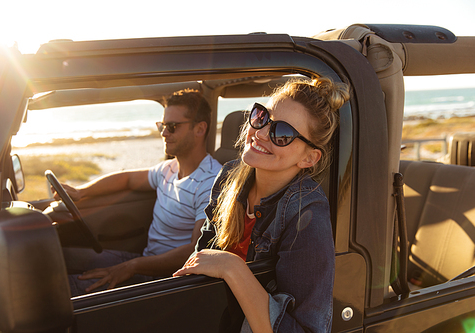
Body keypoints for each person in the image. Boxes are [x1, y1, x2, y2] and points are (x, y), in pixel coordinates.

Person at [173, 77, 350, 332]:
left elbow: (305, 329)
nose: (262, 133)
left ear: (309, 157)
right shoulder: (229, 177)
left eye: (283, 133)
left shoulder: (306, 216)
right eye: (261, 117)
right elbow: (200, 261)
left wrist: (232, 268)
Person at [60, 89, 222, 296]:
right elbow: (127, 179)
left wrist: (132, 266)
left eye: (172, 127)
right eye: (162, 126)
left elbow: (195, 250)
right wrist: (81, 192)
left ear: (199, 129)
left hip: (166, 278)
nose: (164, 133)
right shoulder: (169, 169)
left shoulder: (210, 182)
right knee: (58, 257)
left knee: (63, 290)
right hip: (145, 262)